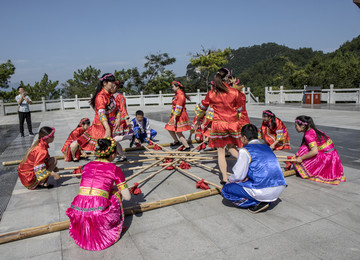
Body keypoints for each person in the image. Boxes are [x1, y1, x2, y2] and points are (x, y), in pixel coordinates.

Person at [66, 137, 131, 251]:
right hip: (99, 216)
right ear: (112, 154)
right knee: (116, 192)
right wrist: (117, 188)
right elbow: (128, 197)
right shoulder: (114, 169)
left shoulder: (86, 166)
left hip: (77, 211)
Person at [222, 124, 287, 213]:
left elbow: (238, 175)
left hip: (263, 190)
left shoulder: (245, 150)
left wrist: (229, 180)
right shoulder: (267, 147)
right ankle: (264, 198)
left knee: (226, 190)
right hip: (279, 187)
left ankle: (256, 202)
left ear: (244, 137)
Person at [194, 68, 245, 184]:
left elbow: (202, 107)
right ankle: (248, 166)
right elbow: (240, 109)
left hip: (218, 125)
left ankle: (224, 178)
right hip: (232, 123)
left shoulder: (211, 93)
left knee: (221, 152)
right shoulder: (234, 92)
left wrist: (198, 121)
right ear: (227, 78)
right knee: (232, 148)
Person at [77, 73, 126, 162]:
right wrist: (107, 129)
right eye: (111, 82)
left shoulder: (110, 95)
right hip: (102, 127)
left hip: (109, 126)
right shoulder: (101, 96)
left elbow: (117, 108)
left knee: (108, 148)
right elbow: (101, 114)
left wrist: (118, 118)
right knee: (104, 149)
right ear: (104, 83)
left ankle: (105, 167)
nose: (113, 84)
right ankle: (101, 169)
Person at [292, 115, 346, 185]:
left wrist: (301, 158)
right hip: (333, 156)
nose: (295, 127)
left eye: (296, 126)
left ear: (303, 126)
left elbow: (314, 151)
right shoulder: (313, 130)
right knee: (306, 147)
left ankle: (304, 168)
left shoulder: (308, 135)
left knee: (304, 149)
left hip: (327, 158)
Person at [164, 81, 191, 150]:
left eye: (173, 86)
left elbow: (179, 107)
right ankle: (176, 141)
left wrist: (175, 117)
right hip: (176, 113)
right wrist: (172, 113)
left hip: (180, 115)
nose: (172, 88)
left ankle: (187, 146)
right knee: (169, 128)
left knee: (178, 131)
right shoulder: (177, 94)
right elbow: (174, 105)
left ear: (177, 86)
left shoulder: (180, 95)